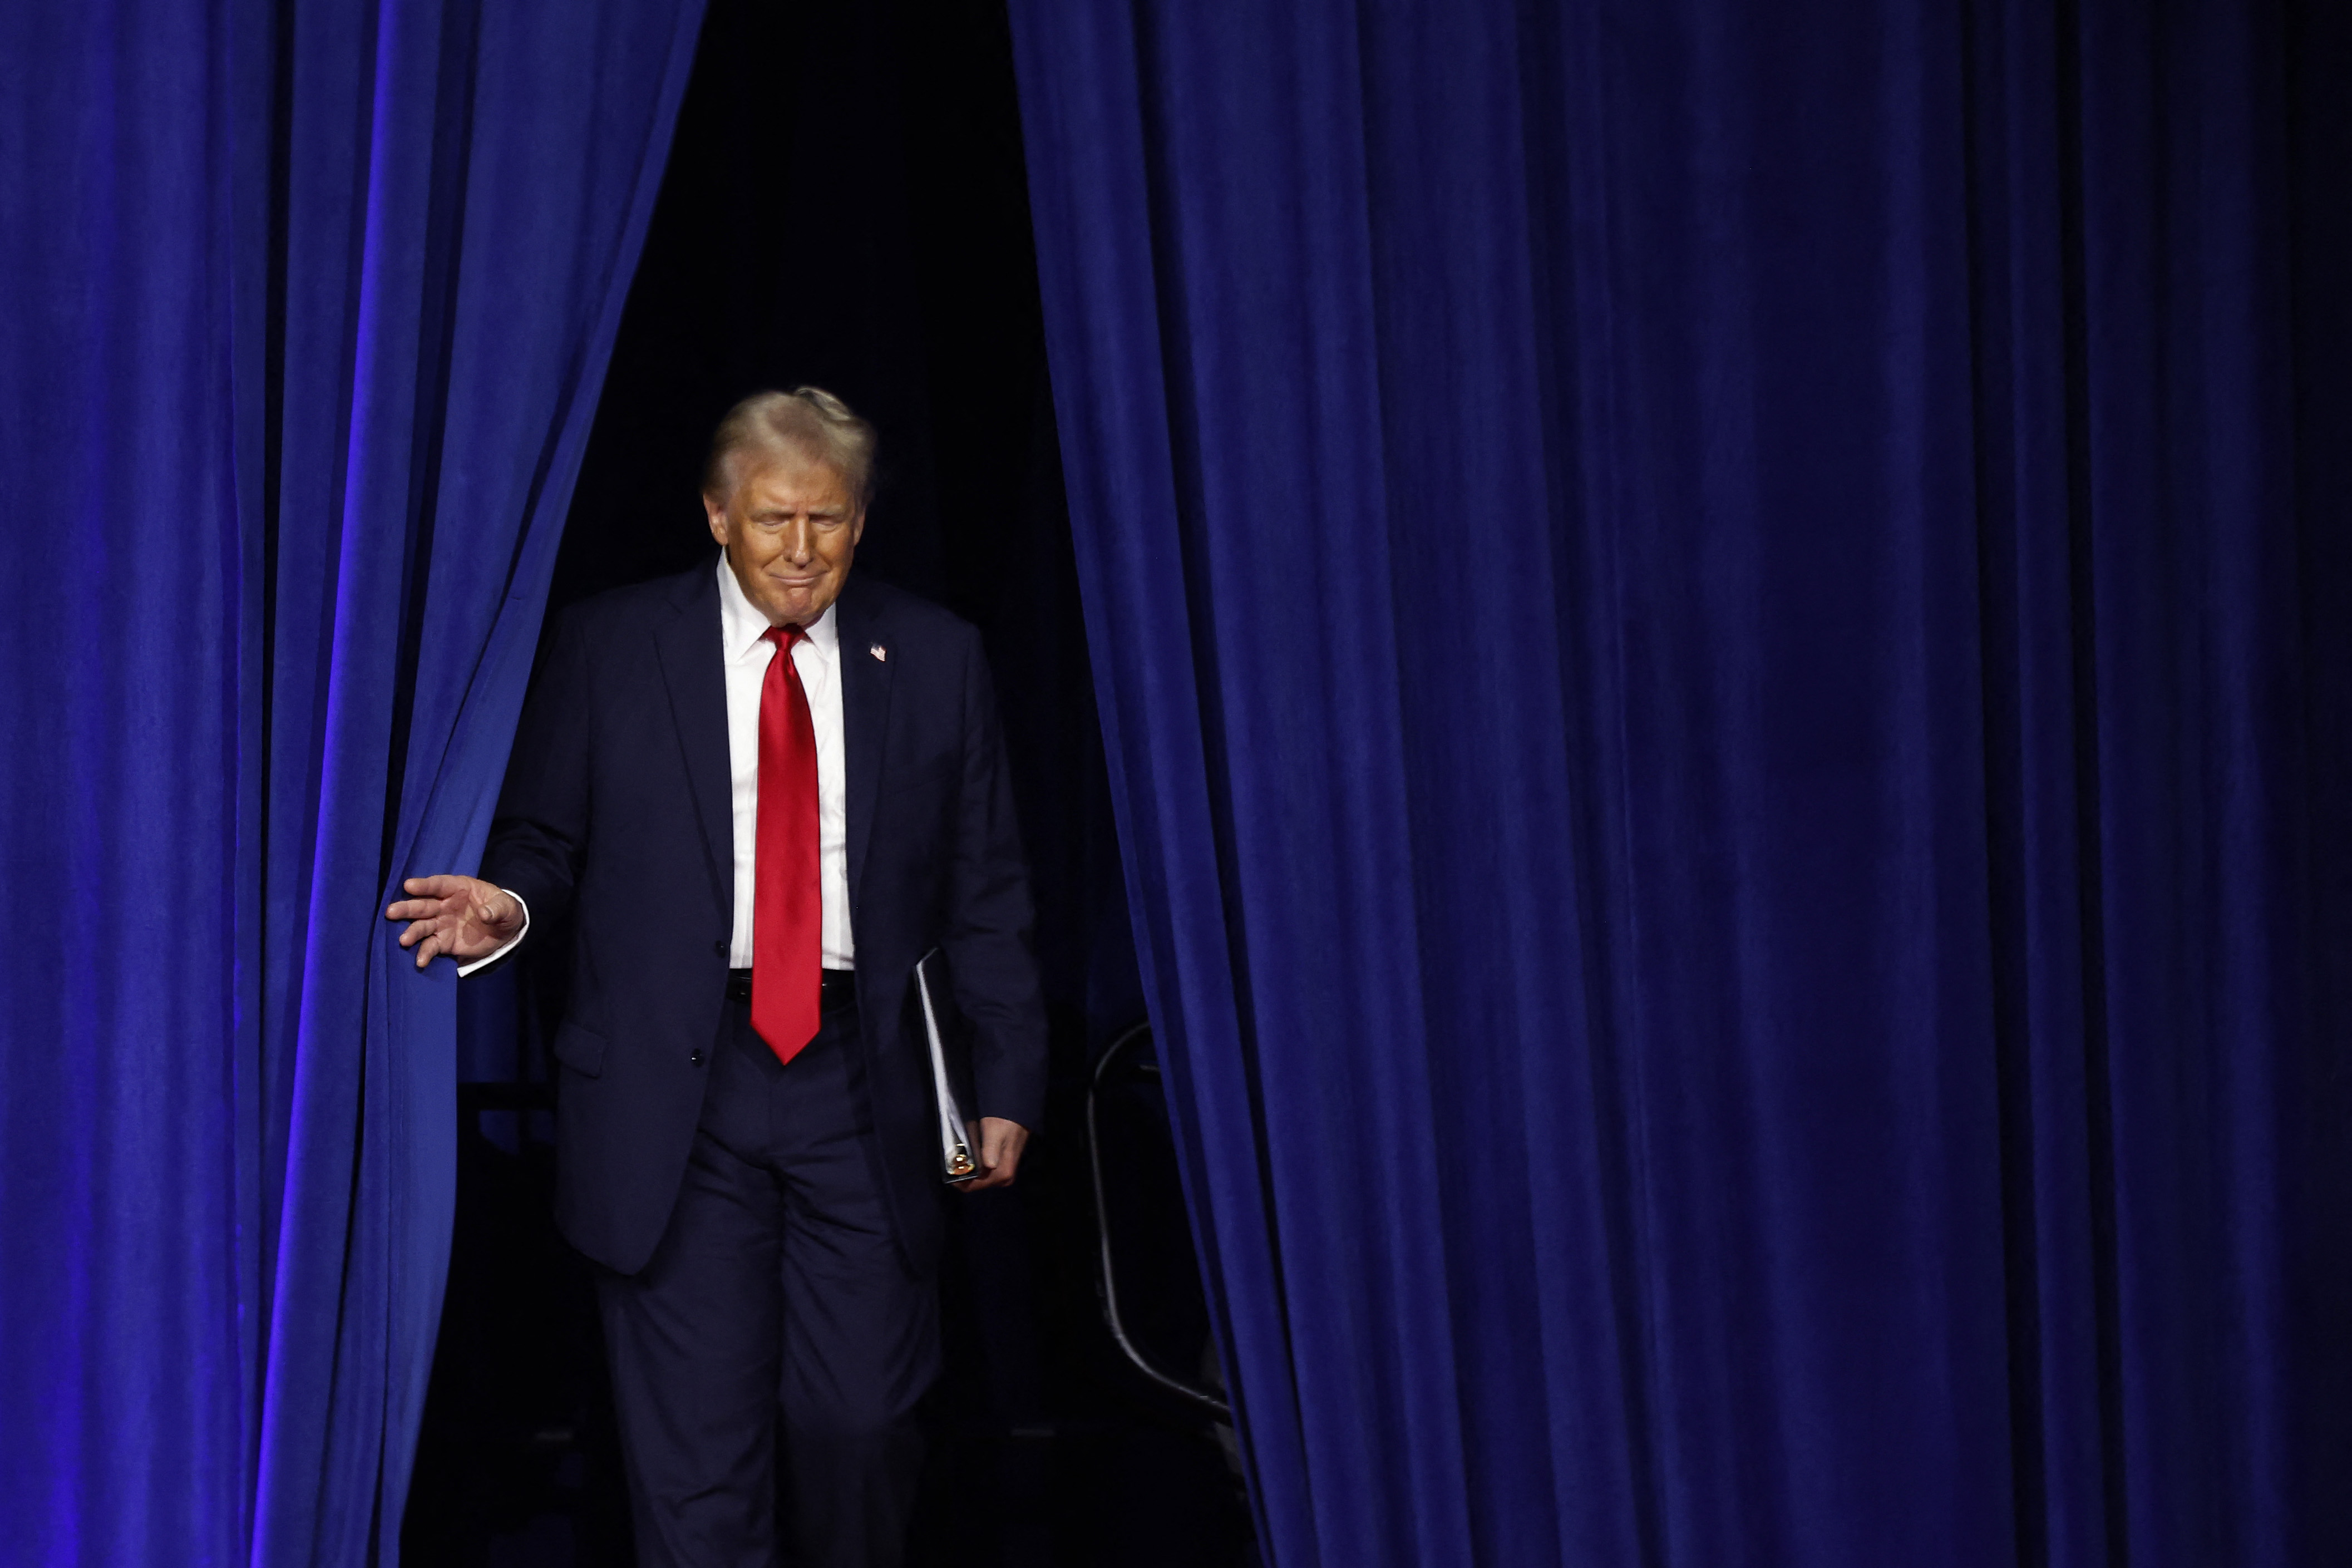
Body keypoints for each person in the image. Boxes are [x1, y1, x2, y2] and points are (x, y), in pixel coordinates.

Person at [385, 387, 1048, 1567]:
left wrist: (1005, 1080)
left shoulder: (938, 656)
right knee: (694, 1466)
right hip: (670, 1089)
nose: (801, 551)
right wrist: (509, 901)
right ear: (715, 514)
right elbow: (544, 836)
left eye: (829, 521)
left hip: (866, 1079)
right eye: (773, 519)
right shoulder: (609, 644)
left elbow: (986, 890)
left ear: (861, 520)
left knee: (858, 1425)